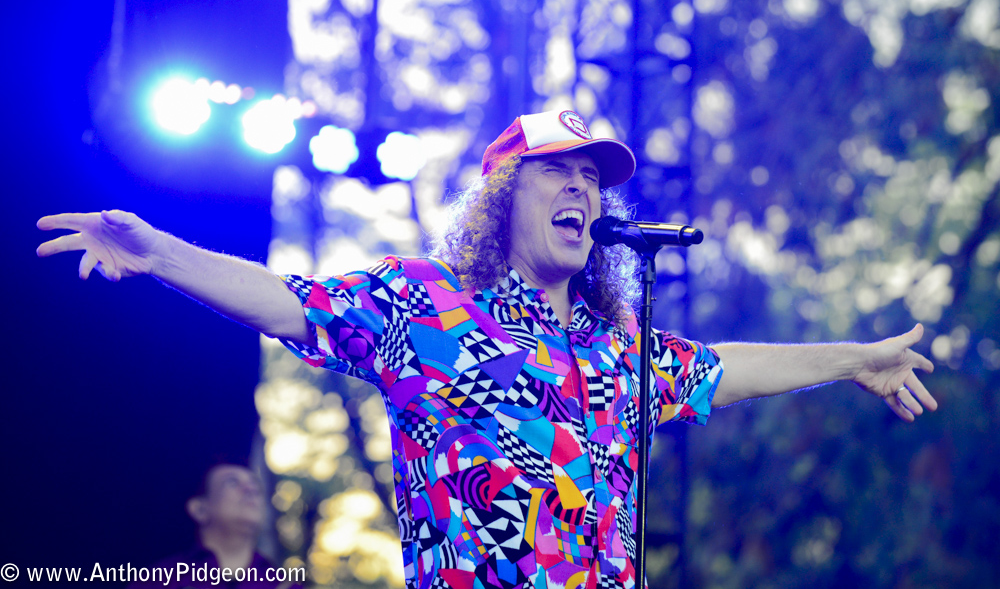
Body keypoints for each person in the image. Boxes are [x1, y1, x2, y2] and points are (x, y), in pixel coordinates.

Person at [38, 109, 937, 589]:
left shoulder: (614, 346)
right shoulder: (427, 307)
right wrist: (161, 253)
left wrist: (854, 357)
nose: (583, 187)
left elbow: (722, 369)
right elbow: (284, 303)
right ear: (503, 195)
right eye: (561, 171)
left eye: (593, 177)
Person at [129, 463, 303, 588]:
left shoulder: (282, 584)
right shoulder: (160, 579)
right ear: (200, 509)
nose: (251, 490)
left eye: (255, 486)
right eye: (232, 482)